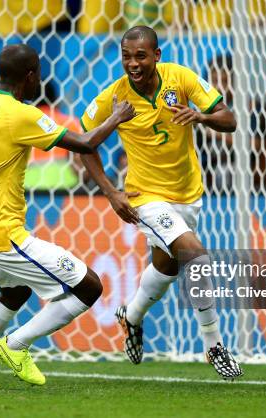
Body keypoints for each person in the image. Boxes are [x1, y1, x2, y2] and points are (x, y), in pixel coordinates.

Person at [0, 44, 135, 389]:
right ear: (30, 77)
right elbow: (87, 141)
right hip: (2, 232)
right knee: (89, 287)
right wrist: (116, 117)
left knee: (14, 294)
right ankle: (16, 346)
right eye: (39, 73)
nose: (41, 80)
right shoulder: (22, 115)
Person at [79, 26, 242, 379]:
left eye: (140, 56)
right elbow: (84, 141)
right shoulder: (114, 97)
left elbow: (229, 119)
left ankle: (131, 316)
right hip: (145, 196)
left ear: (157, 55)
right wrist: (110, 191)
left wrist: (202, 116)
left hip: (188, 193)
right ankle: (214, 344)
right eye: (126, 57)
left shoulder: (181, 78)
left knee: (168, 267)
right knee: (196, 255)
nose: (132, 64)